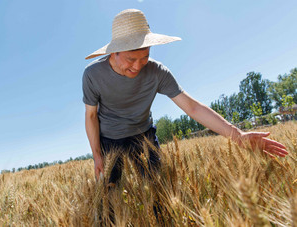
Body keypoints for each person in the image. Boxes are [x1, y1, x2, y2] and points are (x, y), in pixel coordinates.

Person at [82, 9, 288, 184]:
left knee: (158, 190)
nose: (137, 66)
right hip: (110, 138)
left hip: (143, 134)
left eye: (144, 57)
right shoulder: (92, 75)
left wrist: (238, 136)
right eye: (130, 59)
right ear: (113, 53)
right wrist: (97, 156)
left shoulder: (158, 72)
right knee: (109, 195)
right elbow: (91, 116)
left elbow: (192, 107)